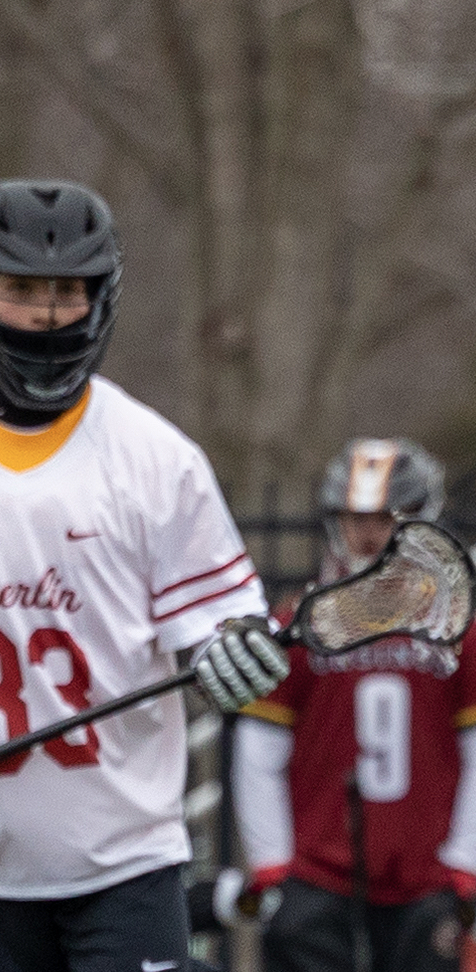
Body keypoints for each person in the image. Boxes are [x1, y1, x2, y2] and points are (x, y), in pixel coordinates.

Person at [0, 179, 288, 972]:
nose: (47, 315)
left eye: (67, 291)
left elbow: (223, 633)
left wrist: (234, 658)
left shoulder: (156, 461)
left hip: (124, 868)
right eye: (21, 290)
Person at [230, 437, 476, 972]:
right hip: (318, 878)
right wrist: (275, 866)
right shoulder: (296, 626)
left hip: (423, 882)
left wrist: (463, 864)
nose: (368, 534)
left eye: (387, 518)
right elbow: (258, 752)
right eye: (354, 518)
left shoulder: (465, 634)